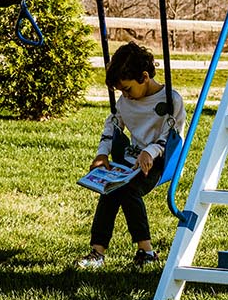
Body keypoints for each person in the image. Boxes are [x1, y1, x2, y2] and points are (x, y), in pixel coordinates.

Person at [77, 42, 187, 269]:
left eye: (127, 88)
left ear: (144, 77)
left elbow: (170, 138)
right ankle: (97, 252)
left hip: (160, 162)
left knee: (128, 190)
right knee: (109, 192)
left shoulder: (170, 101)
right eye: (121, 91)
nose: (125, 95)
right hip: (131, 160)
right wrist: (102, 154)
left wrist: (150, 151)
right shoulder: (126, 101)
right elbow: (113, 124)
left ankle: (146, 252)